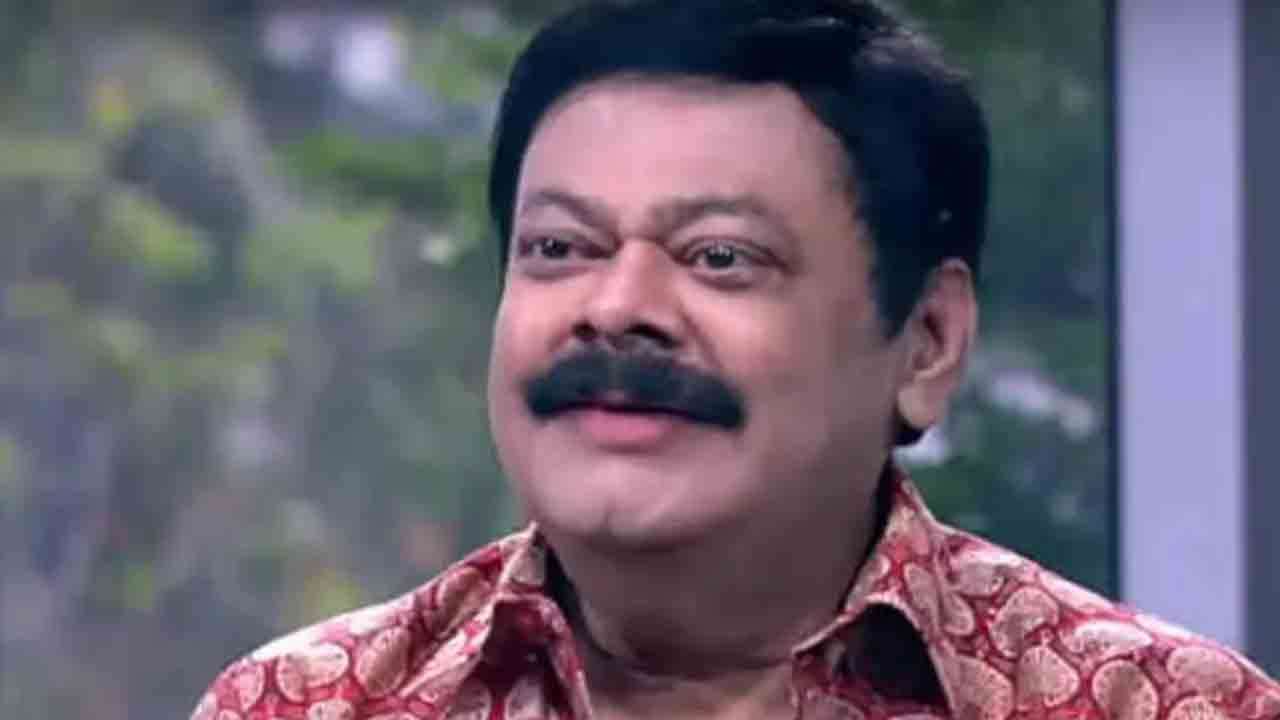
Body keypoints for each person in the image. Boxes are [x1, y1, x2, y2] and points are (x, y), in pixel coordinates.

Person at [190, 1, 1280, 719]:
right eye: (560, 248)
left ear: (927, 341)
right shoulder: (310, 703)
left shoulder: (1153, 705)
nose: (616, 308)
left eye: (720, 257)